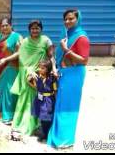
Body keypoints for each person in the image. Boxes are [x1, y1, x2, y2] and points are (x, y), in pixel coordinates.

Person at [47, 9, 90, 149]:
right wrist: (55, 67)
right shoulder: (65, 34)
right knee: (60, 104)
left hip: (74, 74)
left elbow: (84, 60)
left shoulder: (81, 37)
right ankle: (59, 135)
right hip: (64, 73)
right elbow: (56, 55)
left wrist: (66, 49)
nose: (67, 21)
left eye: (71, 19)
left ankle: (66, 139)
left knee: (69, 105)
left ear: (78, 19)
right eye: (65, 19)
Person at [10, 19, 56, 138]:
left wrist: (54, 69)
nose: (35, 30)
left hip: (41, 73)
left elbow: (51, 56)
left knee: (38, 100)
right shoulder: (25, 41)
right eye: (32, 28)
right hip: (28, 75)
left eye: (37, 28)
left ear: (41, 29)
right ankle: (23, 124)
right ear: (29, 30)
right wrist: (29, 71)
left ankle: (36, 124)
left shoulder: (46, 40)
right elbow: (22, 58)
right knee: (25, 99)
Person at [0, 17, 23, 125]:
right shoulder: (0, 37)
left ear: (11, 25)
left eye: (6, 25)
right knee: (1, 87)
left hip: (12, 66)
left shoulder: (17, 37)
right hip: (0, 66)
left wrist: (6, 59)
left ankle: (8, 116)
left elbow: (19, 52)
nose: (4, 27)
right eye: (2, 26)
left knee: (9, 90)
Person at [29, 58, 57, 141]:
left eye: (42, 68)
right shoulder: (37, 76)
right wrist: (31, 75)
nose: (40, 69)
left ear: (48, 69)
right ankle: (43, 133)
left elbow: (55, 90)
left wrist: (55, 100)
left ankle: (47, 133)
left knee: (47, 117)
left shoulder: (52, 78)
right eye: (39, 67)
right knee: (41, 117)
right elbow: (30, 82)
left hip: (48, 100)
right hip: (39, 99)